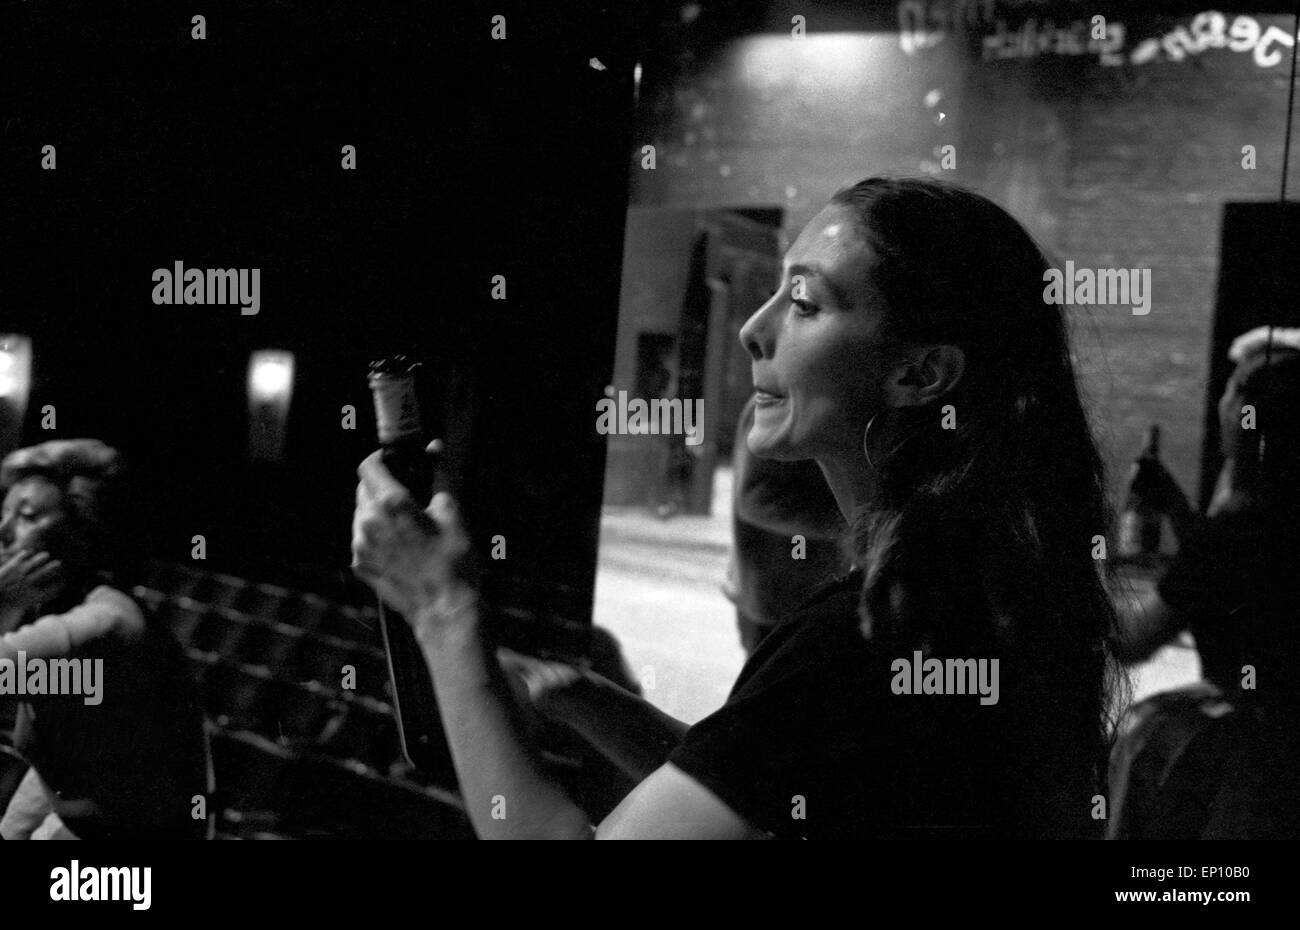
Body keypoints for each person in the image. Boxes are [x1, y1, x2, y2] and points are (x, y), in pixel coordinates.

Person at [351, 176, 1124, 839]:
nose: (756, 330)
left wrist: (442, 614)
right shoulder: (968, 588)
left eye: (806, 304)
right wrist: (585, 699)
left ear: (922, 374)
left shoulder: (874, 636)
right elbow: (775, 782)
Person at [1108, 328, 1300, 839]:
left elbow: (1129, 641)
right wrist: (1175, 506)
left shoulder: (1237, 529)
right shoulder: (1268, 518)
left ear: (1249, 418)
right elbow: (1238, 581)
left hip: (1247, 760)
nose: (1224, 397)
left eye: (1234, 388)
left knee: (1141, 734)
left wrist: (1063, 584)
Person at [0, 440, 211, 840]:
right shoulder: (63, 610)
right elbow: (66, 758)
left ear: (82, 535)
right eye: (3, 513)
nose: (2, 532)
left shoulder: (102, 626)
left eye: (25, 517)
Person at [724, 393, 849, 655]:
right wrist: (843, 523)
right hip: (775, 596)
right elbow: (755, 500)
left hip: (797, 593)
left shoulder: (805, 401)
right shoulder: (779, 405)